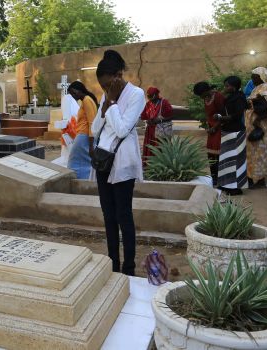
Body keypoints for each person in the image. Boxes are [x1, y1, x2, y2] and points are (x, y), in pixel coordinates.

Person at [90, 50, 146, 276]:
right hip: (104, 160)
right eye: (102, 87)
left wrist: (111, 104)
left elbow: (123, 129)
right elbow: (95, 130)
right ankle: (113, 264)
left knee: (124, 215)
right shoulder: (106, 95)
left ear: (119, 75)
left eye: (107, 84)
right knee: (108, 215)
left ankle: (129, 268)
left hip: (122, 164)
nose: (104, 90)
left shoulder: (136, 94)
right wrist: (105, 107)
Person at [216, 76, 248, 195]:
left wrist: (222, 118)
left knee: (235, 160)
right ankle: (226, 184)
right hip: (227, 130)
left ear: (234, 87)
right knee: (226, 159)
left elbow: (237, 115)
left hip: (236, 131)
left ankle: (235, 188)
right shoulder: (230, 97)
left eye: (227, 86)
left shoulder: (239, 98)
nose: (225, 88)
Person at [193, 81, 224, 186]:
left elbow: (223, 114)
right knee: (210, 154)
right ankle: (214, 177)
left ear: (206, 91)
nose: (201, 97)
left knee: (218, 153)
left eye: (201, 95)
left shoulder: (218, 97)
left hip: (219, 128)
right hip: (211, 129)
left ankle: (220, 177)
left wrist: (215, 127)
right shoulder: (207, 98)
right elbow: (209, 115)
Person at [66, 81, 98, 179]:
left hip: (84, 137)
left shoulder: (87, 100)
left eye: (73, 92)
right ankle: (86, 179)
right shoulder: (86, 100)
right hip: (84, 136)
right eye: (71, 94)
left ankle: (79, 181)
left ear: (78, 90)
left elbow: (91, 122)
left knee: (74, 162)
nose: (73, 95)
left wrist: (91, 145)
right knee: (84, 162)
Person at [140, 87, 173, 167]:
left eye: (151, 96)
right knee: (150, 148)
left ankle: (161, 166)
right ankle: (149, 166)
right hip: (150, 131)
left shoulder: (164, 103)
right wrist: (148, 120)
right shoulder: (148, 104)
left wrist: (159, 121)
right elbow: (143, 116)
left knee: (160, 148)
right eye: (148, 96)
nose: (150, 98)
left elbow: (171, 116)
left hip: (161, 131)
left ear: (156, 95)